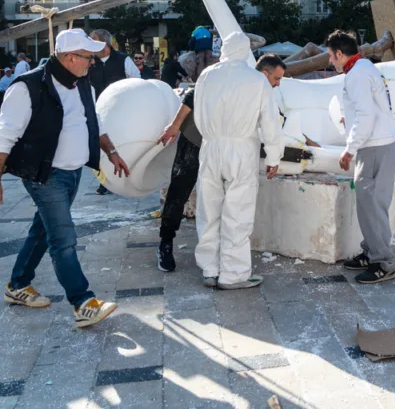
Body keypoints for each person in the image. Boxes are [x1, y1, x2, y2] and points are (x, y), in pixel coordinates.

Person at [0, 29, 131, 328]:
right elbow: (3, 135)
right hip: (43, 174)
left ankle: (18, 284)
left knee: (42, 230)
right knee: (63, 238)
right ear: (70, 57)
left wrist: (111, 152)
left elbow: (93, 122)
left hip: (73, 172)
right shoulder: (27, 87)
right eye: (89, 57)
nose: (94, 63)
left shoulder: (83, 84)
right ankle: (83, 302)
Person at [191, 31, 283, 290]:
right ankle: (233, 274)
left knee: (208, 211)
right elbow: (270, 122)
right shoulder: (256, 80)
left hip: (210, 146)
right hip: (241, 149)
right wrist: (274, 156)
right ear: (245, 51)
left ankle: (210, 269)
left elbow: (198, 115)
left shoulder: (206, 76)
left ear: (224, 50)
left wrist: (212, 136)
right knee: (237, 212)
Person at [326, 30, 395, 285]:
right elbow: (368, 110)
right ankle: (371, 252)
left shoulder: (356, 74)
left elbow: (366, 115)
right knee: (372, 205)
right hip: (381, 145)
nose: (330, 62)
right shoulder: (365, 67)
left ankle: (382, 262)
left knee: (371, 206)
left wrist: (349, 148)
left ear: (339, 53)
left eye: (330, 57)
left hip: (372, 147)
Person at [154, 48, 217, 272]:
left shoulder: (256, 83)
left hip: (220, 144)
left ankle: (217, 246)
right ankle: (165, 242)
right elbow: (192, 95)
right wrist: (174, 126)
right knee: (179, 189)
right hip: (194, 137)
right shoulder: (218, 73)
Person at [87, 29, 140, 194]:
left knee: (121, 144)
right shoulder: (89, 62)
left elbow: (136, 80)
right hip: (97, 112)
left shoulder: (123, 60)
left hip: (121, 112)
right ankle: (105, 181)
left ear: (104, 43)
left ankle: (127, 175)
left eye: (93, 41)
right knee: (101, 146)